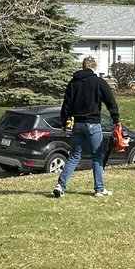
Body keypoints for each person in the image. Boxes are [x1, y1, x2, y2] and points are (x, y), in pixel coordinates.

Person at [53, 56, 119, 198]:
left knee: (74, 156)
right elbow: (110, 101)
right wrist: (115, 119)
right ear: (94, 67)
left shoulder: (73, 83)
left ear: (83, 67)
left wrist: (64, 122)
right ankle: (99, 189)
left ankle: (61, 185)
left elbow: (66, 104)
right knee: (97, 156)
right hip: (93, 124)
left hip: (77, 124)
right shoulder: (99, 82)